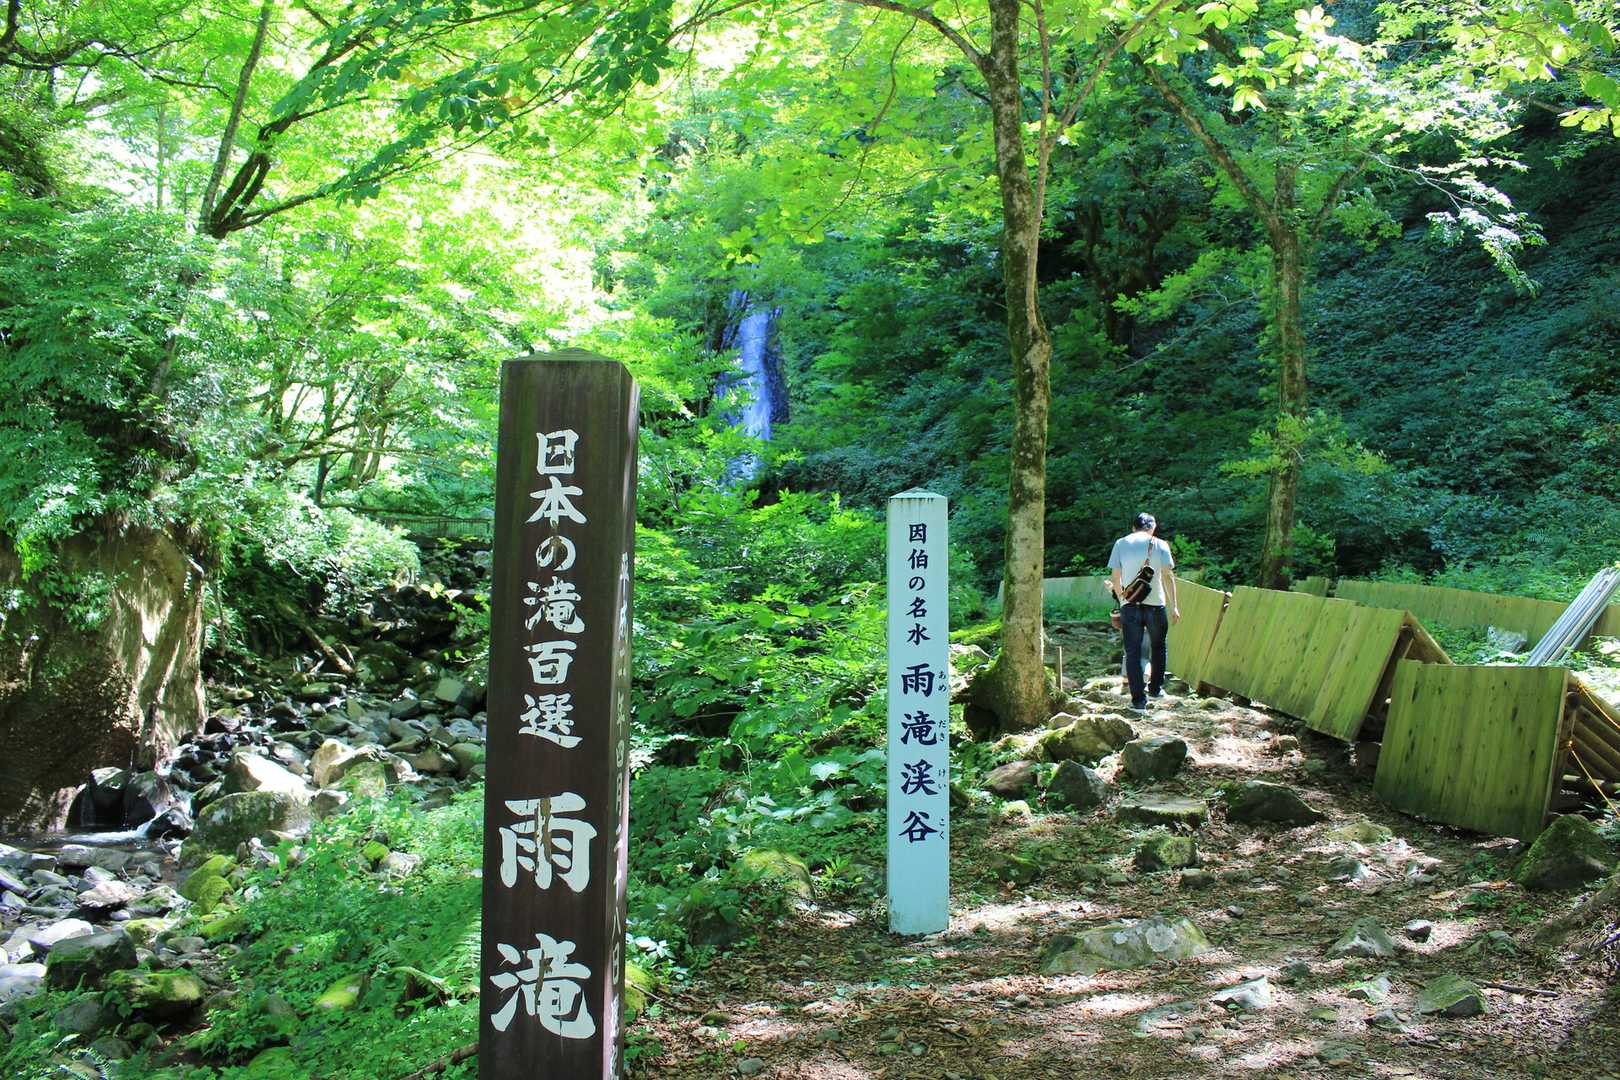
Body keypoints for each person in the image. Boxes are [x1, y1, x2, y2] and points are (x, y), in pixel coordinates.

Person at [1108, 513, 1179, 711]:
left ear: (1133, 527)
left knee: (1133, 652)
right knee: (1158, 647)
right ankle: (1155, 689)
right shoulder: (1160, 544)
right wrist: (1174, 605)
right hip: (1156, 605)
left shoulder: (1120, 543)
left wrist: (1122, 598)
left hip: (1130, 606)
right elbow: (1168, 576)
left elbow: (1115, 577)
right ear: (1152, 527)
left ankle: (1138, 701)